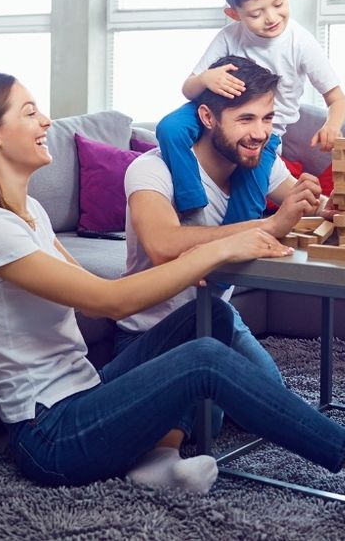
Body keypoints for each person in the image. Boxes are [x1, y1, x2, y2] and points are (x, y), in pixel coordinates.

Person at [0, 72, 345, 497]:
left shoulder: (29, 214)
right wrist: (217, 248)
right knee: (205, 359)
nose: (47, 120)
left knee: (203, 319)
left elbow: (91, 285)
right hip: (49, 435)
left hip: (85, 393)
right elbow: (109, 300)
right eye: (29, 112)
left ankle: (154, 460)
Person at [118, 55, 322, 432]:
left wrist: (337, 206)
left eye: (267, 118)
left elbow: (308, 212)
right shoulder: (152, 168)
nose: (260, 132)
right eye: (245, 119)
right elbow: (163, 244)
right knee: (206, 423)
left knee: (270, 398)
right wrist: (272, 223)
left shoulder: (260, 161)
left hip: (219, 318)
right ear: (208, 118)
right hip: (151, 331)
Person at [156, 0, 345, 225]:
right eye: (256, 13)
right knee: (169, 128)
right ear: (234, 14)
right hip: (212, 116)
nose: (271, 18)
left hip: (263, 134)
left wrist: (332, 125)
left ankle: (238, 237)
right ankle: (192, 202)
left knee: (248, 193)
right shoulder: (227, 37)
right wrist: (205, 79)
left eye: (278, 4)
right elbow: (188, 89)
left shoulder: (301, 43)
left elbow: (338, 99)